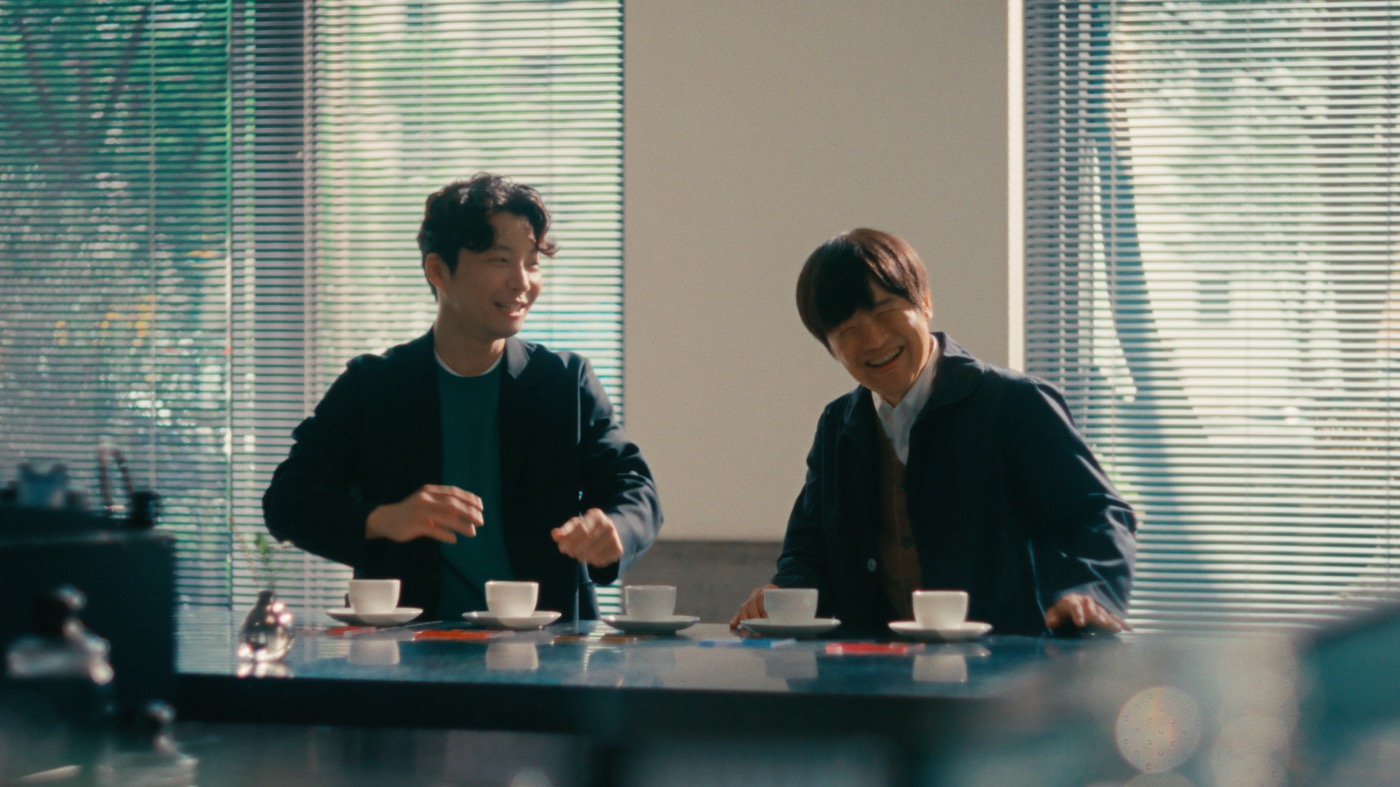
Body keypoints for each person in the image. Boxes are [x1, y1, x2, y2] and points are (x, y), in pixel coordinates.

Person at [263, 173, 662, 621]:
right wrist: (385, 519)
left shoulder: (565, 382)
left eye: (532, 263)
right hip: (408, 648)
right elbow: (287, 501)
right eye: (500, 260)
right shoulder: (373, 385)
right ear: (438, 271)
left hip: (549, 647)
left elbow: (635, 488)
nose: (522, 282)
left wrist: (614, 530)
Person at [731, 228, 1135, 636]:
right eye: (846, 330)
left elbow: (1098, 514)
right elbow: (808, 547)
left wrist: (1088, 592)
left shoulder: (1015, 403)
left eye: (885, 311)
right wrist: (780, 593)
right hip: (873, 667)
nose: (874, 339)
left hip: (1008, 662)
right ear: (830, 347)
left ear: (924, 302)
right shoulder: (838, 424)